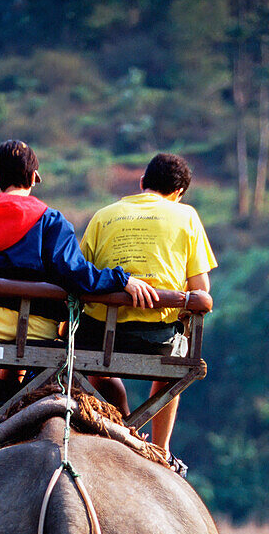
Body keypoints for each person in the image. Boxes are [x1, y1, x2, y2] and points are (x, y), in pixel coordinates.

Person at [0, 140, 157, 433]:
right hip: (36, 331)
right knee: (38, 344)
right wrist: (122, 278)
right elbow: (77, 274)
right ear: (34, 177)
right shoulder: (50, 220)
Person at [79, 152, 217, 470]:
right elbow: (201, 290)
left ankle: (123, 423)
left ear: (142, 183)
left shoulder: (103, 215)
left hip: (96, 336)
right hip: (155, 338)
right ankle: (160, 448)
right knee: (175, 363)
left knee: (103, 371)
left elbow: (81, 273)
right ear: (178, 194)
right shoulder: (186, 216)